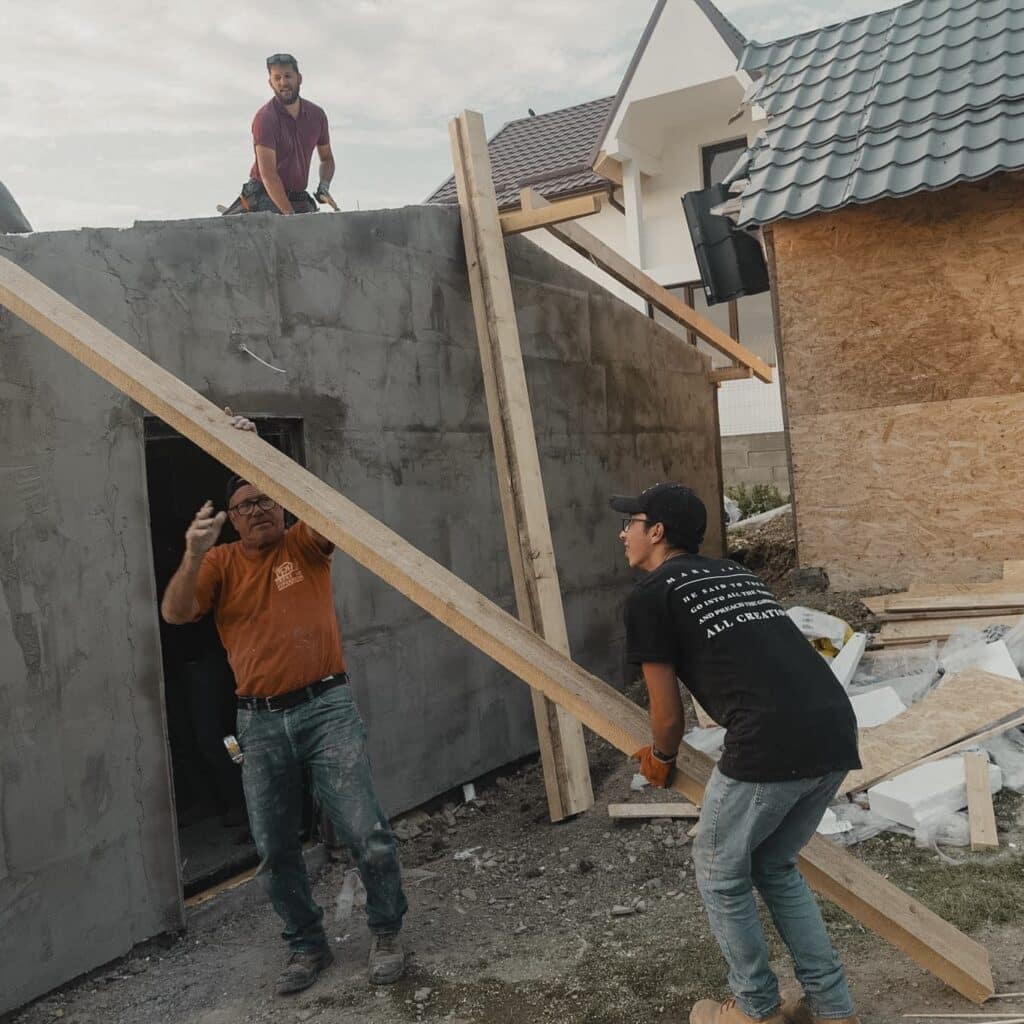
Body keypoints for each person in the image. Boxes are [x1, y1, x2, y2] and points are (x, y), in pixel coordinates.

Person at [161, 410, 406, 995]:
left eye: (268, 498)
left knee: (366, 829)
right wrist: (193, 552)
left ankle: (387, 931)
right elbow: (174, 613)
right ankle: (306, 946)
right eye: (246, 504)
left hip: (327, 708)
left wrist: (261, 455)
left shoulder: (306, 542)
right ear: (232, 519)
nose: (260, 509)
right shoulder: (219, 563)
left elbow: (331, 511)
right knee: (274, 848)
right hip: (260, 722)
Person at [611, 483, 861, 1024]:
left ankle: (755, 1011)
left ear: (656, 532)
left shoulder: (650, 596)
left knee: (719, 871)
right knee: (773, 863)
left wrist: (660, 755)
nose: (622, 533)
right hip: (835, 727)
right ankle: (835, 1010)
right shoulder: (736, 574)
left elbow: (668, 715)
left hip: (769, 740)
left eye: (630, 522)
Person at [225, 53, 336, 215]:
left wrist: (323, 186)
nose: (283, 82)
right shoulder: (265, 118)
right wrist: (291, 219)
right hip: (264, 194)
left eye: (288, 76)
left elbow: (327, 159)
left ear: (299, 78)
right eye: (277, 78)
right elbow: (269, 175)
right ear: (270, 83)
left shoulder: (317, 116)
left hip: (297, 196)